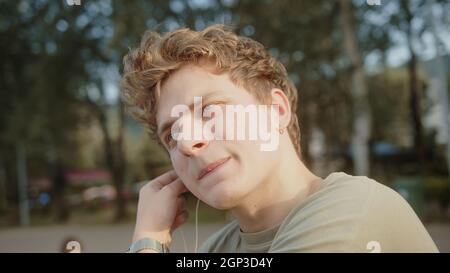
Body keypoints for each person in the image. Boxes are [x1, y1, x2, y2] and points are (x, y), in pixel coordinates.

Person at [121, 24, 438, 253]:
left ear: (276, 110)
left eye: (208, 111)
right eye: (172, 135)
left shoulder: (352, 212)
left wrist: (146, 240)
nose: (188, 142)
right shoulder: (217, 247)